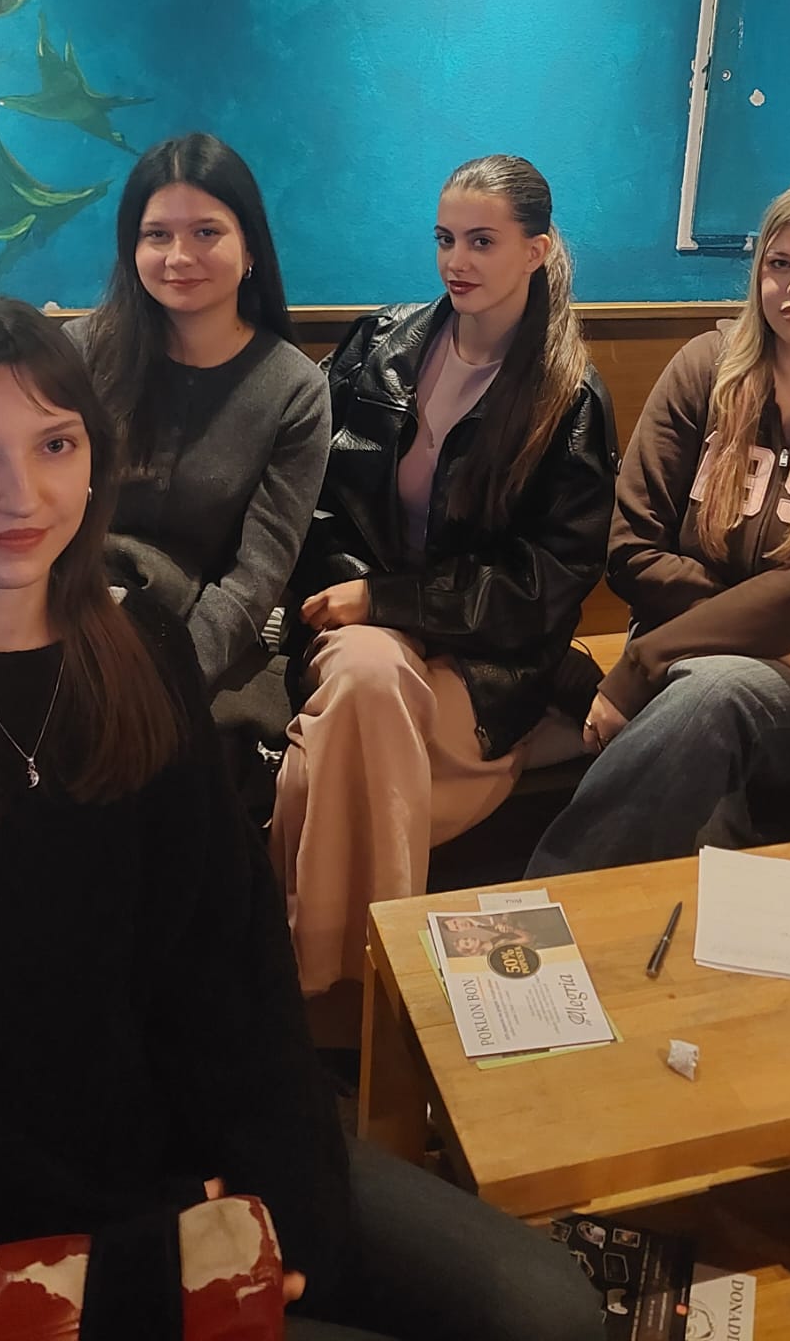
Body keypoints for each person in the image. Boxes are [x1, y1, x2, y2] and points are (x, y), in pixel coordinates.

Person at [0, 299, 602, 1341]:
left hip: (178, 1152)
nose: (22, 493)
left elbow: (232, 963)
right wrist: (139, 1251)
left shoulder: (138, 647)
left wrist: (282, 1198)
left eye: (55, 444)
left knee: (548, 1308)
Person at [271, 155, 617, 998]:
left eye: (482, 242)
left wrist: (393, 603)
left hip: (484, 662)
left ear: (536, 250)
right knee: (368, 673)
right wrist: (370, 608)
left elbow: (548, 581)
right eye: (445, 239)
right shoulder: (376, 348)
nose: (456, 261)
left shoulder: (569, 397)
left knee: (328, 760)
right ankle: (381, 992)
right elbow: (310, 499)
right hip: (362, 632)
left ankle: (311, 989)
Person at [527, 175, 790, 876]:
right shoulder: (705, 370)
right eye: (780, 263)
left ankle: (548, 905)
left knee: (712, 690)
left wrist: (644, 662)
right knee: (704, 756)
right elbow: (631, 550)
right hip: (742, 655)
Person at [68, 134, 330, 735]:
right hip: (70, 614)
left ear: (250, 247)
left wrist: (168, 673)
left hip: (199, 640)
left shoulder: (294, 389)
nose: (179, 256)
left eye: (206, 232)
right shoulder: (78, 355)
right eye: (157, 234)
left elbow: (256, 577)